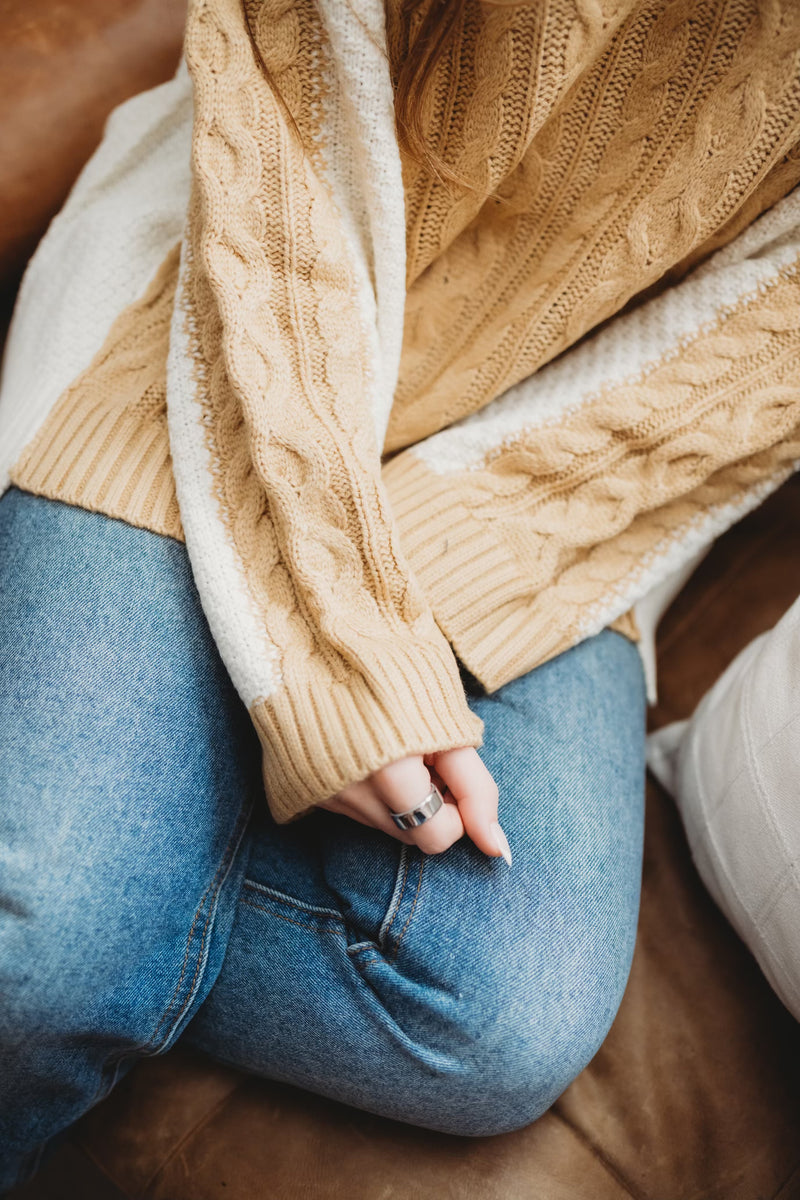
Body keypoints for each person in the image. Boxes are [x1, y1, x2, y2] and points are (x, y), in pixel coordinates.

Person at [2, 0, 799, 1189]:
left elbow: (735, 380)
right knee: (43, 953)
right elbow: (283, 129)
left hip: (567, 469)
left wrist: (415, 590)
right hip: (229, 302)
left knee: (493, 1020)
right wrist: (335, 643)